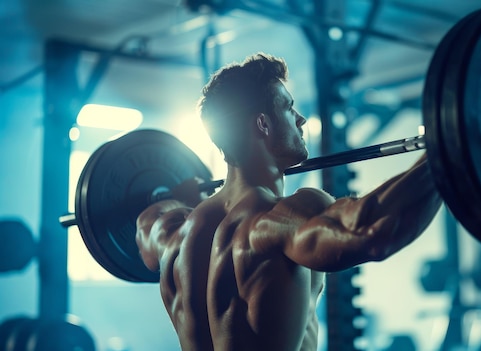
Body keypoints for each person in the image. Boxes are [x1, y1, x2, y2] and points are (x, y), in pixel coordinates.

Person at [135, 52, 442, 351]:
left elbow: (145, 220)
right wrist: (444, 153)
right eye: (288, 108)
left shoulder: (173, 232)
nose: (301, 119)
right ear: (263, 124)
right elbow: (372, 231)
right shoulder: (277, 219)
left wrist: (179, 197)